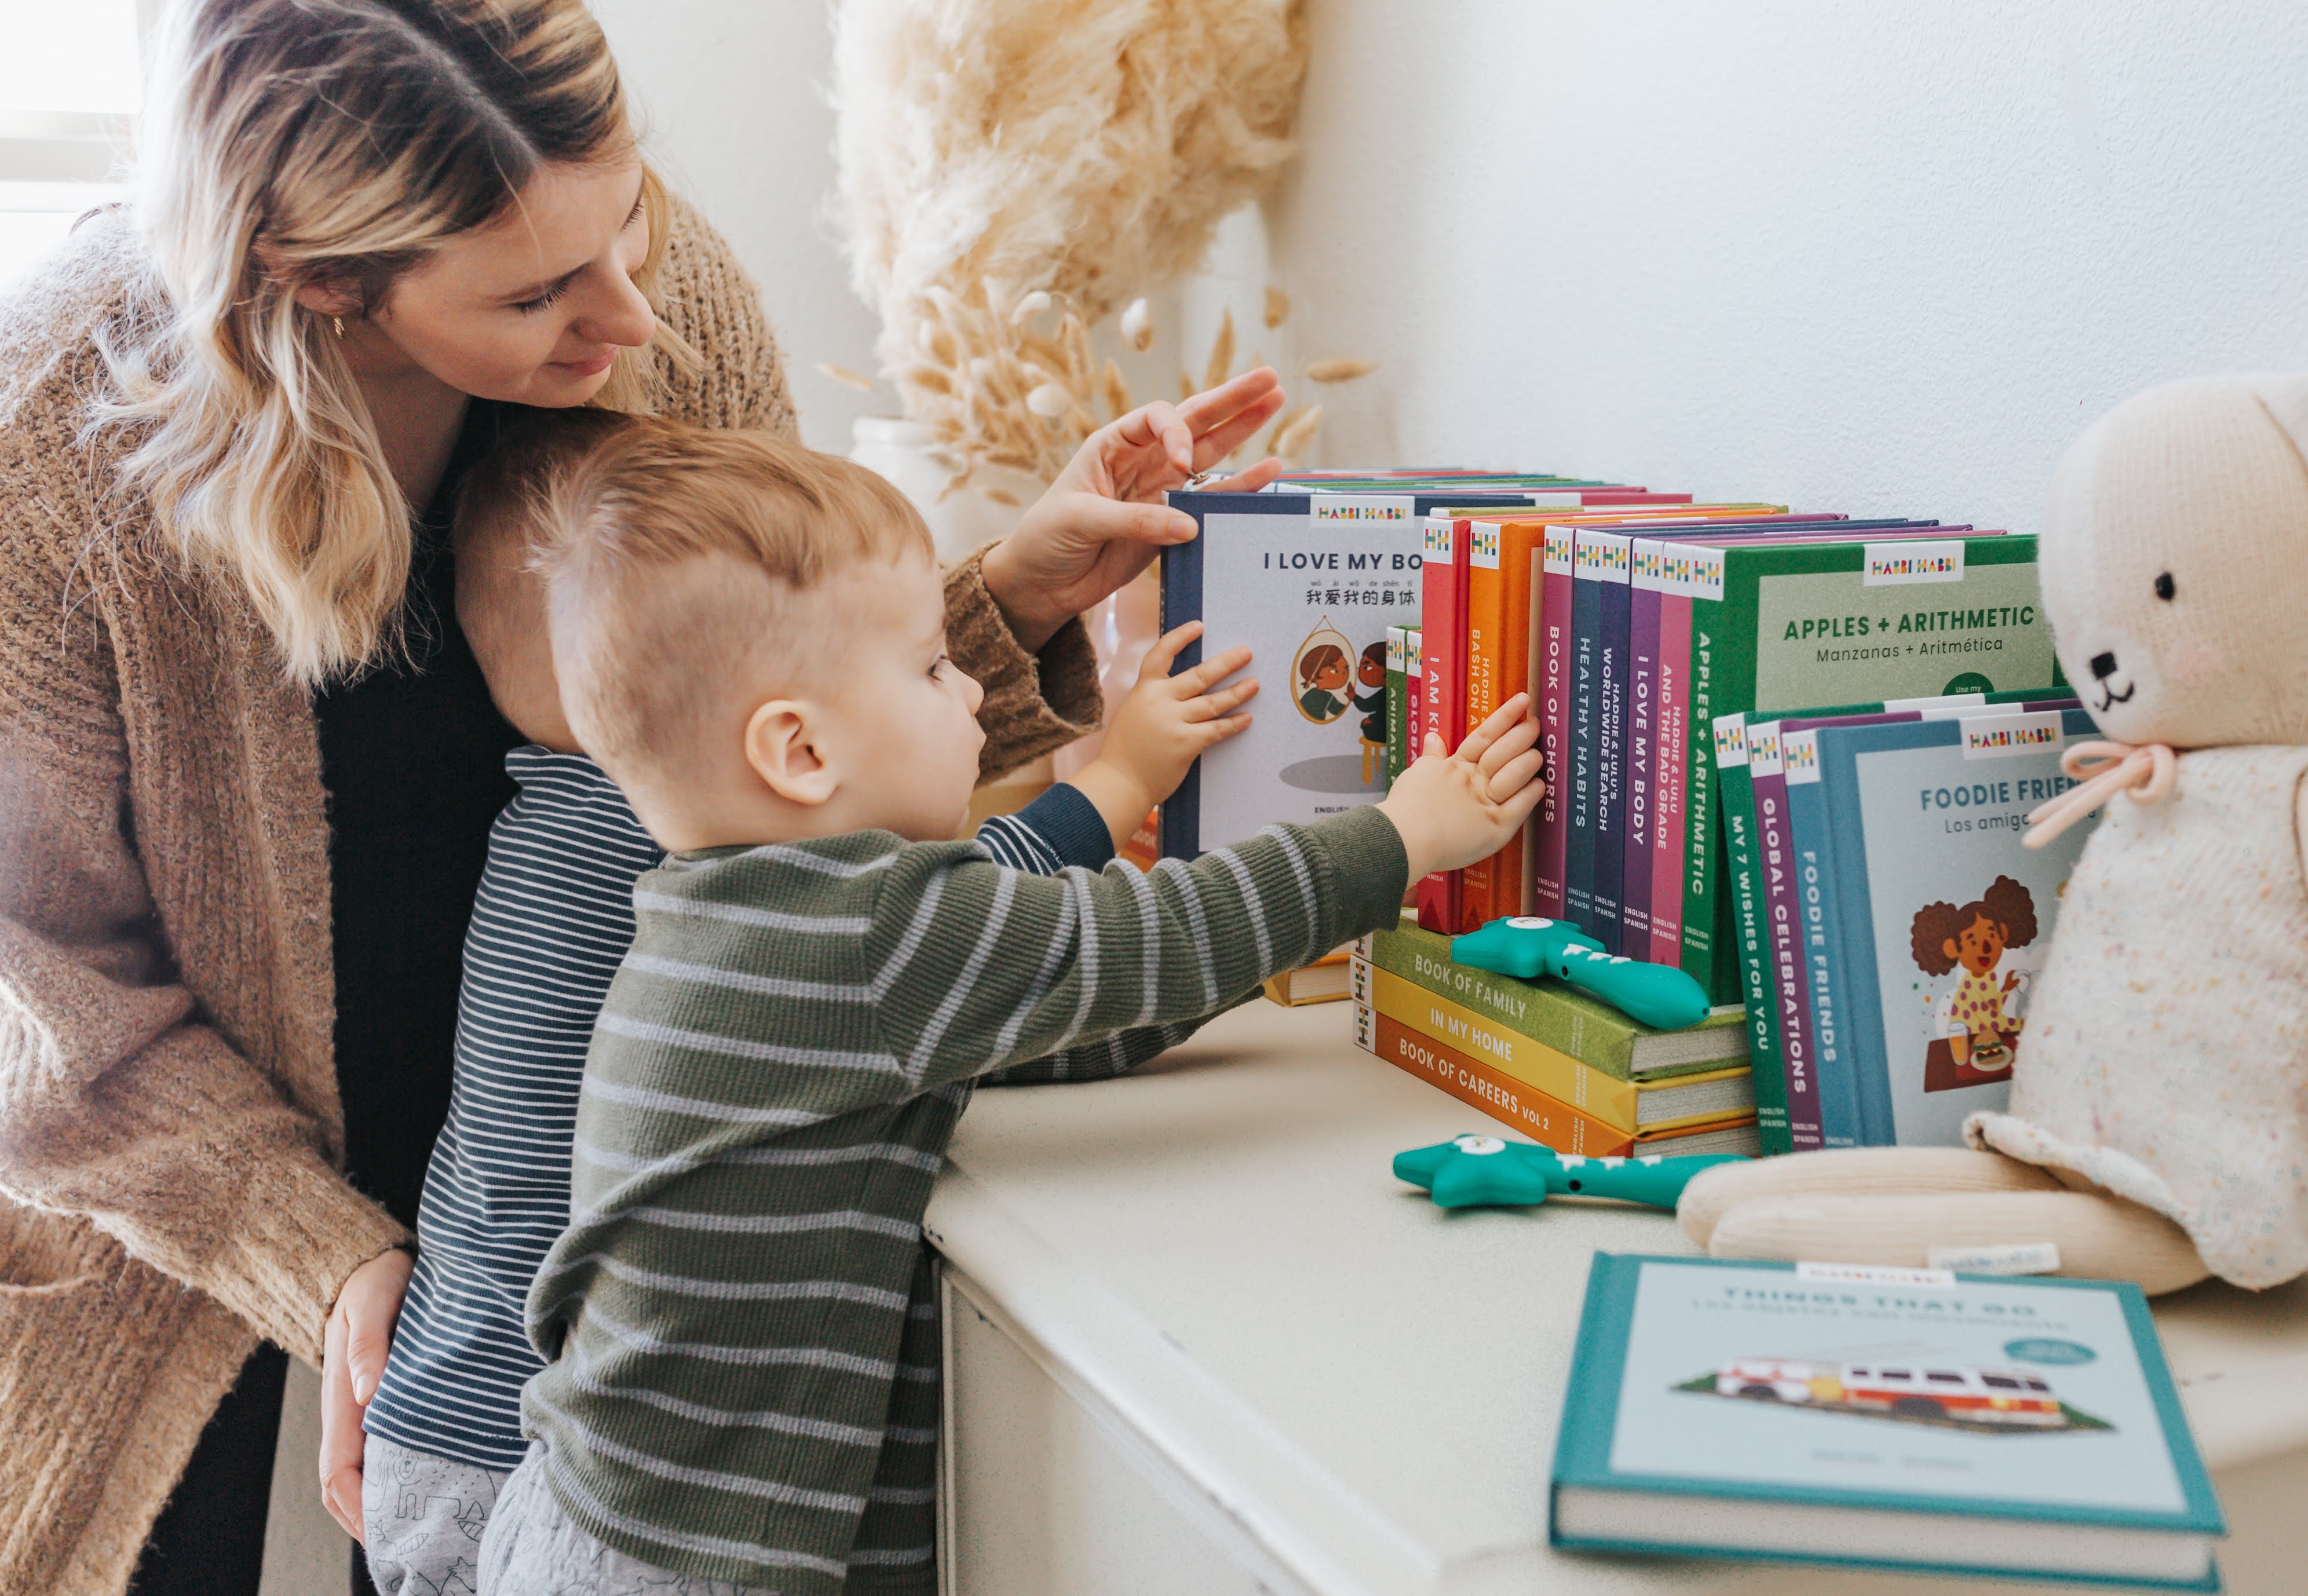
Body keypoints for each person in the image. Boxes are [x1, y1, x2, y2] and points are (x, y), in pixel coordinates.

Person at [0, 3, 1281, 1591]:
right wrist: (325, 1261)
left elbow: (771, 742)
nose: (629, 312)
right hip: (189, 1230)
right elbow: (49, 1005)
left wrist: (1005, 607)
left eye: (630, 217)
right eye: (537, 292)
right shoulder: (49, 445)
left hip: (583, 1231)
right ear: (319, 280)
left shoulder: (661, 304)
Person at [467, 419, 1536, 1594]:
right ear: (800, 750)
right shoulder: (862, 938)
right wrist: (1400, 837)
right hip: (691, 1564)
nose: (973, 680)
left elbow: (1029, 997)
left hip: (592, 1513)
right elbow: (1148, 945)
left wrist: (1123, 781)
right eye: (931, 666)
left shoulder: (731, 914)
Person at [355, 408, 1263, 1595]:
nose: (954, 690)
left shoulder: (558, 825)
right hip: (526, 1448)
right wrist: (1122, 778)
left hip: (443, 1407)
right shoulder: (665, 846)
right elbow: (963, 923)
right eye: (931, 667)